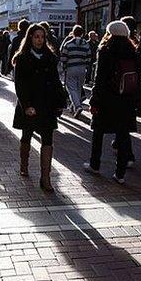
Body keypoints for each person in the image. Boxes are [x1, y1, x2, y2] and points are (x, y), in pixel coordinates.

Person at [85, 21, 139, 184]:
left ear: (110, 33)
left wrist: (94, 99)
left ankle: (95, 164)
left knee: (98, 132)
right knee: (122, 135)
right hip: (126, 99)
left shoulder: (105, 50)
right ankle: (120, 173)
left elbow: (99, 78)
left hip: (107, 98)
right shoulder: (133, 51)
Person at [13, 24, 63, 190]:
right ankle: (24, 165)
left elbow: (56, 82)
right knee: (26, 135)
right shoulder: (22, 57)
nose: (39, 40)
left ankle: (45, 178)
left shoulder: (50, 56)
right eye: (36, 36)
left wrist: (59, 103)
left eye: (42, 36)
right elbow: (19, 84)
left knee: (48, 139)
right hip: (30, 104)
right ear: (30, 38)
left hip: (47, 104)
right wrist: (26, 105)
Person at [59, 25, 91, 117]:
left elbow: (63, 57)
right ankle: (73, 107)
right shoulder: (86, 44)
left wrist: (64, 67)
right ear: (82, 34)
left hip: (71, 67)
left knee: (71, 88)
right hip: (82, 68)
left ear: (73, 32)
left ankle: (77, 106)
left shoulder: (68, 44)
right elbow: (89, 57)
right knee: (78, 88)